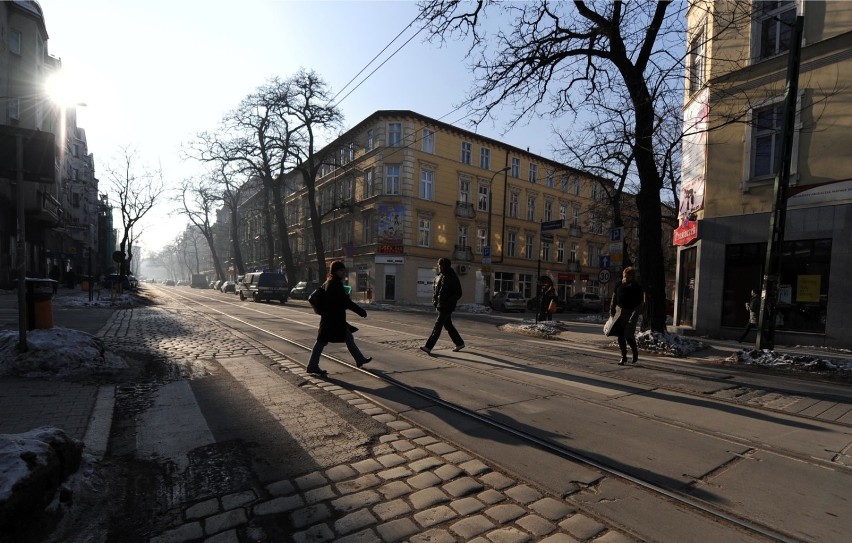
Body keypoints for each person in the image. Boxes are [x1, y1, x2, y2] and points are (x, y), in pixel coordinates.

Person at [305, 261, 372, 376]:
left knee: (346, 337)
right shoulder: (335, 284)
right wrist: (361, 311)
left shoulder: (328, 282)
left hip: (331, 319)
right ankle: (312, 365)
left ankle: (360, 359)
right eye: (342, 270)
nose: (344, 272)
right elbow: (346, 302)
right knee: (321, 341)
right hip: (333, 320)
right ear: (336, 271)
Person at [421, 257, 465, 354]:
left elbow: (458, 293)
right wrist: (435, 301)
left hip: (447, 307)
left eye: (440, 265)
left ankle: (428, 347)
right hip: (441, 306)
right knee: (448, 325)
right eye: (438, 265)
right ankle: (459, 343)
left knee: (438, 326)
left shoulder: (452, 277)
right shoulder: (440, 276)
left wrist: (449, 302)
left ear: (445, 266)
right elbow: (436, 291)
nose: (439, 267)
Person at [610, 266, 644, 365]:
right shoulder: (619, 285)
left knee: (629, 336)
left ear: (632, 277)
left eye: (628, 277)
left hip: (630, 313)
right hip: (619, 313)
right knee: (620, 335)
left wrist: (633, 317)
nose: (626, 278)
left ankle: (634, 352)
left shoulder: (637, 287)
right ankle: (623, 356)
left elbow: (639, 304)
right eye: (625, 276)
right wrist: (612, 310)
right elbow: (614, 298)